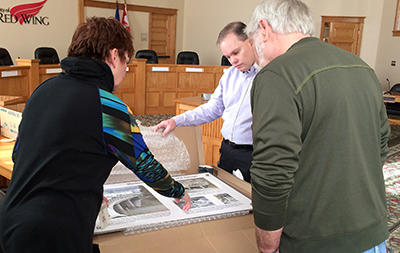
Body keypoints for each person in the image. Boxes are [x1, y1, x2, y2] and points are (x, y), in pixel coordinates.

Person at [0, 17, 191, 253]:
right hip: (56, 233)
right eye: (126, 62)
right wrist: (178, 191)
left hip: (12, 219)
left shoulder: (42, 90)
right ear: (113, 56)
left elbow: (21, 154)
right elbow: (144, 164)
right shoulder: (108, 105)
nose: (126, 69)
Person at [246, 0, 390, 252]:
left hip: (314, 240)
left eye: (253, 38)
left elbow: (273, 168)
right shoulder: (361, 66)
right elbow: (379, 144)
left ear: (264, 29)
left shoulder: (277, 74)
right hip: (373, 233)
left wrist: (267, 245)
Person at [154, 21, 257, 182]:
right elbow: (211, 109)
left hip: (253, 154)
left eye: (236, 52)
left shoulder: (268, 75)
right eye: (228, 57)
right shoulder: (229, 75)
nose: (233, 60)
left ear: (251, 40)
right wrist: (176, 120)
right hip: (228, 150)